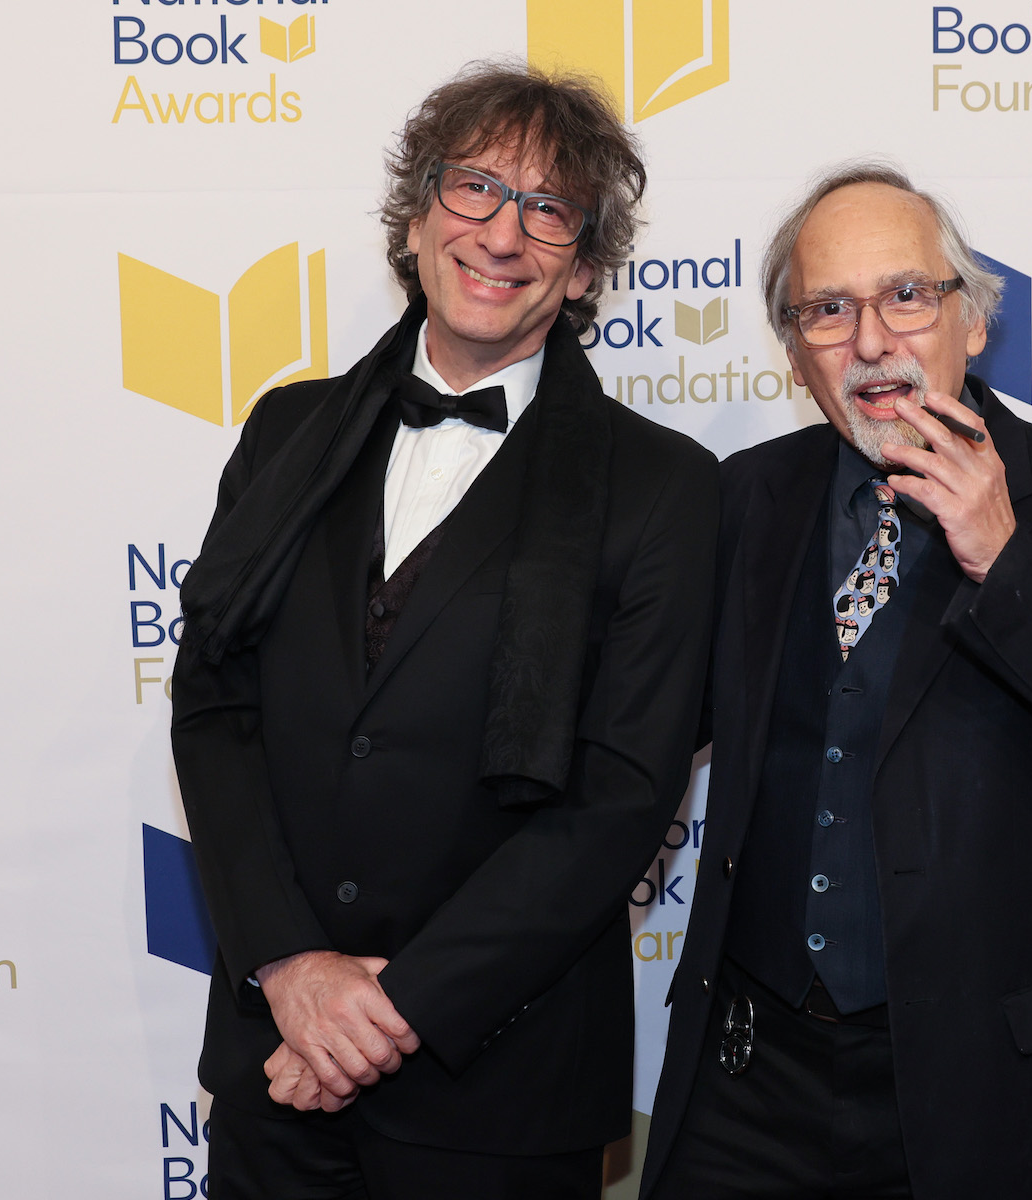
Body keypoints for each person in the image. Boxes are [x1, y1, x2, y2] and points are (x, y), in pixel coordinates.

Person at [170, 62, 717, 1199]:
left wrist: (391, 1010)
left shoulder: (665, 489)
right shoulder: (287, 431)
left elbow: (621, 795)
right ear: (415, 218)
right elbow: (216, 705)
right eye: (474, 189)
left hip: (501, 1089)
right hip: (276, 1059)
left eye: (548, 208)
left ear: (582, 268)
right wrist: (293, 968)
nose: (502, 234)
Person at [639, 161, 1032, 1199]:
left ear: (973, 320)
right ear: (793, 353)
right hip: (746, 1084)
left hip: (981, 1093)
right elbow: (638, 739)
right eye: (827, 309)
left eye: (905, 295)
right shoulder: (738, 501)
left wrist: (1009, 561)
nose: (870, 341)